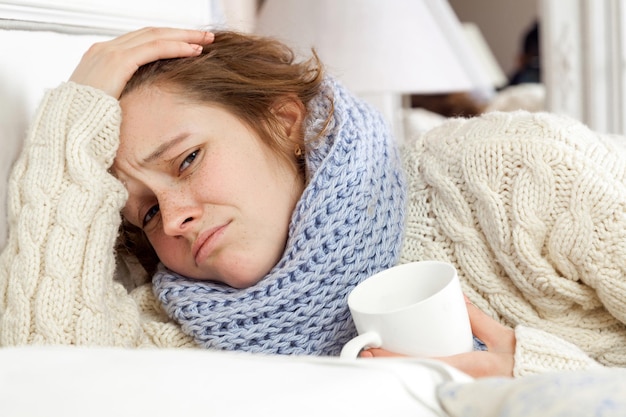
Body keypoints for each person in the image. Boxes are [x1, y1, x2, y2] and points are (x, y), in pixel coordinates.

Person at [1, 27, 625, 379]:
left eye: (187, 159)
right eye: (145, 213)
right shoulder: (185, 335)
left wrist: (535, 379)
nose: (175, 217)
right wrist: (66, 131)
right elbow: (46, 381)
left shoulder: (511, 170)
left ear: (283, 123)